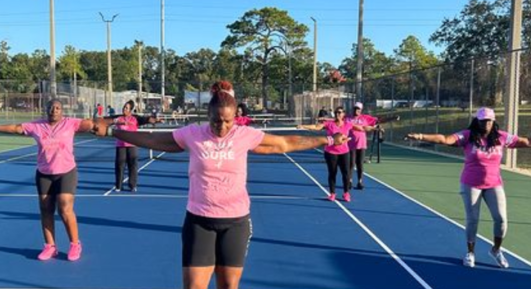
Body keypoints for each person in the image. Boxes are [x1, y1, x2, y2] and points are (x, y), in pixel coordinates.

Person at [95, 80, 346, 289]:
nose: (222, 126)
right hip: (199, 221)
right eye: (217, 120)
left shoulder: (245, 136)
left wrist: (326, 139)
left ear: (235, 117)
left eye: (228, 121)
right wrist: (113, 132)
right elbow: (157, 140)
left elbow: (285, 143)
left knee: (227, 287)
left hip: (235, 223)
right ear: (208, 116)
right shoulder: (192, 134)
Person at [405, 107, 531, 269]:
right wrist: (420, 136)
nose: (486, 123)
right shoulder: (467, 136)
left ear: (494, 121)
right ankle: (470, 253)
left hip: (494, 184)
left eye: (489, 121)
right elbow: (445, 139)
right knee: (472, 220)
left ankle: (496, 250)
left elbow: (529, 142)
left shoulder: (501, 137)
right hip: (471, 184)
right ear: (477, 121)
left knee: (501, 220)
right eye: (483, 120)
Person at [0, 99, 102, 262]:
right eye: (51, 108)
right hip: (44, 173)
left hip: (66, 172)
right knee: (46, 209)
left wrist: (98, 125)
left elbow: (90, 124)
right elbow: (16, 128)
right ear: (46, 110)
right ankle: (50, 246)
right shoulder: (36, 126)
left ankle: (75, 244)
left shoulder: (70, 124)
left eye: (57, 108)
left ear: (61, 111)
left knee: (64, 207)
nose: (54, 110)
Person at [298, 106, 365, 203]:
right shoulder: (329, 124)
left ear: (343, 114)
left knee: (346, 174)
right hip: (331, 152)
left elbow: (362, 128)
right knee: (332, 173)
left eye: (340, 112)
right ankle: (332, 193)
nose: (338, 114)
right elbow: (317, 127)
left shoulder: (348, 124)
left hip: (344, 152)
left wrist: (374, 128)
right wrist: (303, 126)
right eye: (337, 112)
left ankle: (346, 193)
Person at [109, 100, 159, 192]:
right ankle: (118, 186)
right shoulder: (118, 118)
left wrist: (152, 120)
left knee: (133, 165)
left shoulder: (135, 119)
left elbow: (145, 119)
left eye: (127, 108)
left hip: (132, 145)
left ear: (130, 110)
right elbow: (108, 120)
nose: (125, 109)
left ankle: (132, 185)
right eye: (124, 107)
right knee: (120, 165)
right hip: (121, 145)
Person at [347, 103, 400, 189]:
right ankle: (349, 181)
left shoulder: (365, 118)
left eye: (359, 109)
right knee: (351, 164)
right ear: (353, 109)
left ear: (361, 110)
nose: (357, 110)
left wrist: (392, 118)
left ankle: (360, 182)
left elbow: (379, 120)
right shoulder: (348, 118)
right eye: (356, 108)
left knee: (360, 163)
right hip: (351, 144)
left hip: (361, 144)